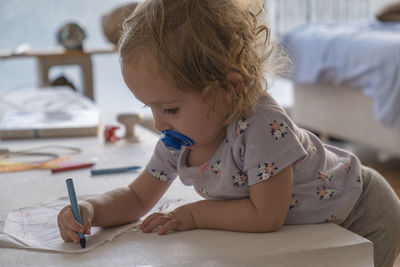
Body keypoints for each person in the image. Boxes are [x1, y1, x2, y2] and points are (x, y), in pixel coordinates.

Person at [57, 0, 400, 266]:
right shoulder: (179, 142)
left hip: (363, 212)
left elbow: (266, 216)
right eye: (151, 108)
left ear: (229, 89)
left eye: (171, 109)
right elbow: (136, 199)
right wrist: (90, 209)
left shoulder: (261, 125)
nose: (160, 124)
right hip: (319, 226)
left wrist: (192, 214)